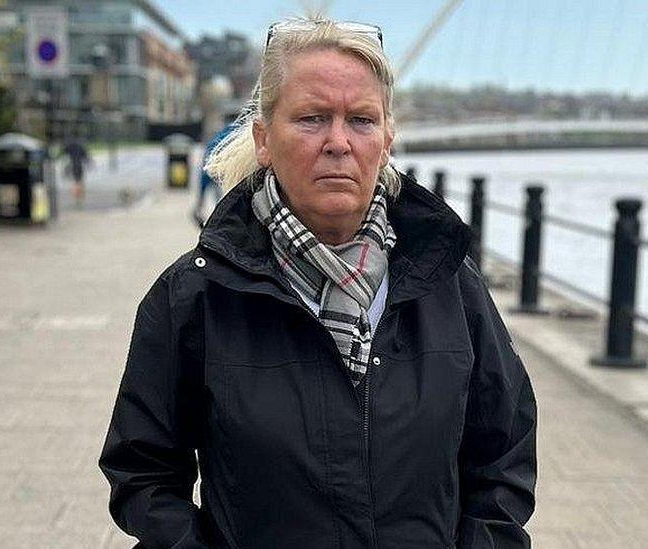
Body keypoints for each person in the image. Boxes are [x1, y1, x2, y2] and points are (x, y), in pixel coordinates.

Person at [100, 17, 536, 549]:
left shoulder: (452, 288)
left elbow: (504, 455)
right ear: (264, 139)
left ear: (387, 137)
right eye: (311, 118)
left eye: (361, 119)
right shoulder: (192, 298)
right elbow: (142, 475)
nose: (338, 142)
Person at [192, 123, 236, 228]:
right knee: (220, 199)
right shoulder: (230, 136)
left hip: (211, 168)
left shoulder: (217, 139)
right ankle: (219, 222)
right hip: (216, 169)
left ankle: (215, 220)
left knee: (219, 199)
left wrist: (199, 201)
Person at [61, 139, 91, 206]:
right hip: (79, 166)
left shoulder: (69, 146)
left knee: (76, 182)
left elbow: (64, 154)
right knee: (79, 182)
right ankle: (79, 198)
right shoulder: (80, 146)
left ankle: (77, 198)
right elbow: (86, 157)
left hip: (73, 165)